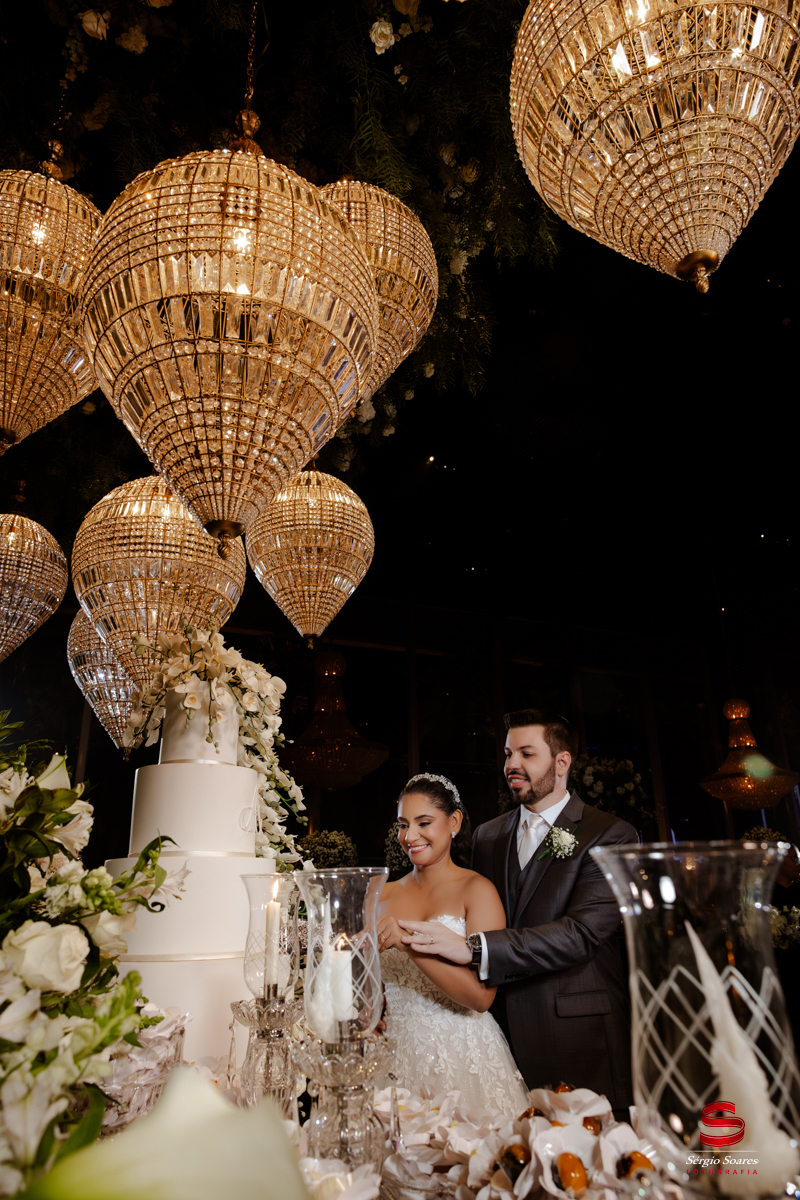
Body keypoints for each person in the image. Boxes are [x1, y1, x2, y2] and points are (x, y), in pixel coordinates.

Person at [398, 710, 637, 1117]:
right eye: (509, 754)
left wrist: (475, 948)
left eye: (527, 753)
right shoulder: (488, 836)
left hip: (578, 1033)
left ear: (561, 762)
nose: (512, 764)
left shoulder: (610, 834)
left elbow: (582, 934)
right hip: (501, 1037)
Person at [377, 773, 530, 1112]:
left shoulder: (477, 891)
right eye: (403, 825)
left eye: (423, 823)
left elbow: (480, 998)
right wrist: (366, 1012)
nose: (409, 836)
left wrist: (408, 944)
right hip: (392, 1058)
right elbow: (370, 982)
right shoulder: (381, 895)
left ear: (454, 822)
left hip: (463, 1057)